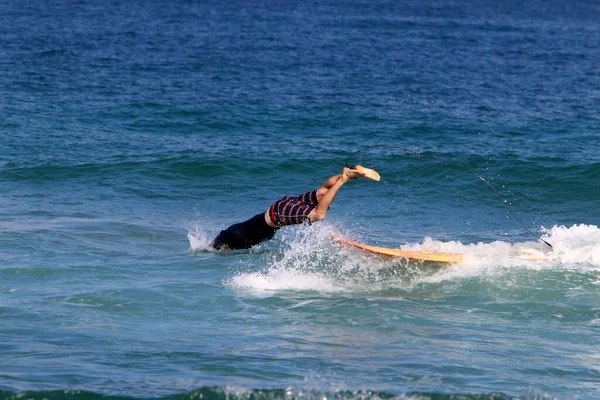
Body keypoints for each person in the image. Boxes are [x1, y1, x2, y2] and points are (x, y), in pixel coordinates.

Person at [211, 165, 375, 251]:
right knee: (322, 194)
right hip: (279, 208)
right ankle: (347, 173)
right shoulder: (240, 235)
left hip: (277, 214)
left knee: (319, 212)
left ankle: (344, 177)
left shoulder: (238, 238)